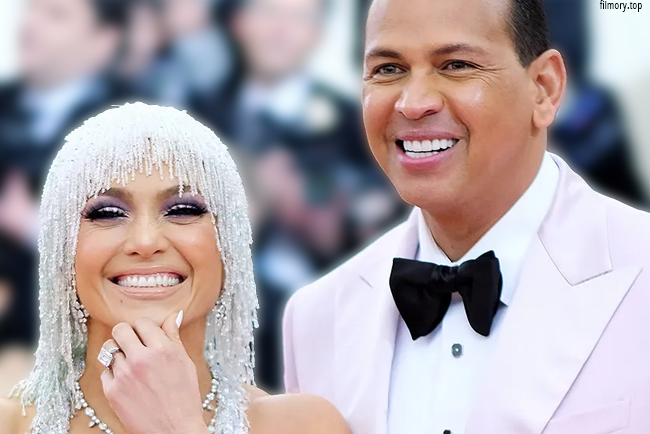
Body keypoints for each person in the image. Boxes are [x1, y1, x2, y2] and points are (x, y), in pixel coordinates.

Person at [283, 0, 650, 433]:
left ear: (544, 88)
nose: (413, 103)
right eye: (388, 69)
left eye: (456, 65)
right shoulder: (315, 320)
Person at [0, 103, 349, 434]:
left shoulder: (302, 425)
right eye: (107, 213)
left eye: (182, 210)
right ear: (61, 249)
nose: (146, 241)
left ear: (230, 242)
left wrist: (178, 425)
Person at [0, 0, 134, 194]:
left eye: (56, 15)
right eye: (31, 8)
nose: (31, 23)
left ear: (104, 41)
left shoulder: (127, 129)